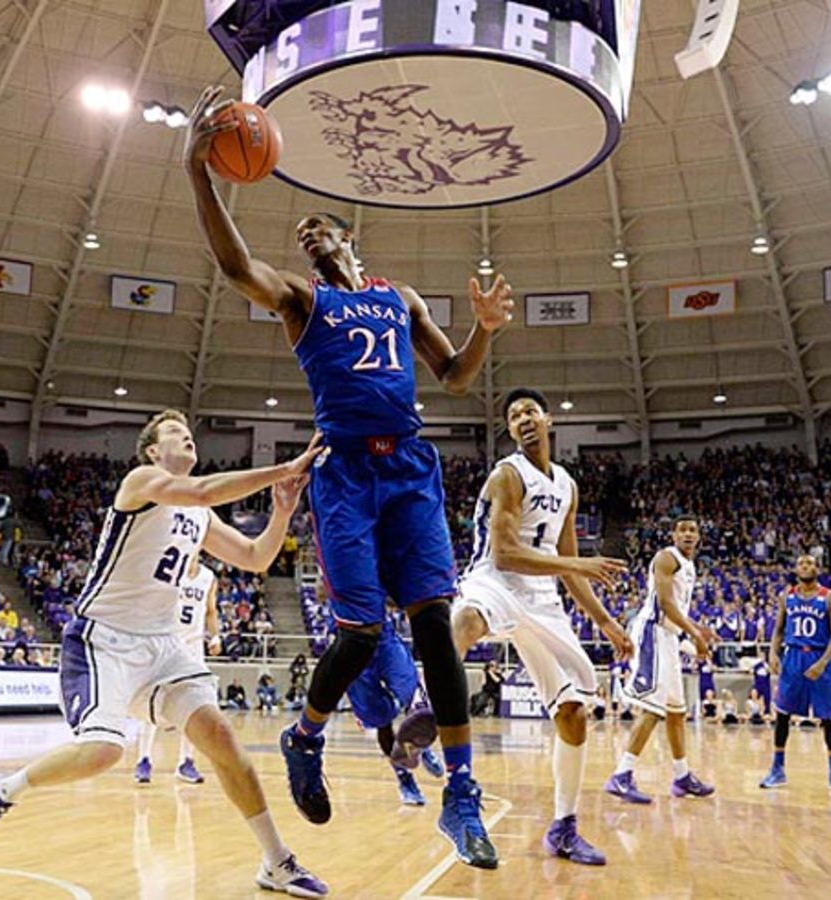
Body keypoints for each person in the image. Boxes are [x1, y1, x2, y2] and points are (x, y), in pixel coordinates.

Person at [186, 85, 515, 870]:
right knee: (362, 632)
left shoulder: (399, 299)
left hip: (408, 466)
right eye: (301, 236)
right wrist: (197, 169)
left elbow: (459, 378)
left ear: (349, 240)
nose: (309, 237)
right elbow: (235, 266)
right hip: (344, 476)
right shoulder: (305, 301)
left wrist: (483, 328)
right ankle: (304, 738)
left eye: (320, 228)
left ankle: (460, 798)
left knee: (435, 621)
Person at [0, 410, 328, 898]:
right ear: (153, 450)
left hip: (164, 645)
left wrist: (281, 510)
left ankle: (277, 861)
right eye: (176, 433)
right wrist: (284, 467)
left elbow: (256, 558)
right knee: (105, 750)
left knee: (220, 738)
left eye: (190, 433)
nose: (188, 437)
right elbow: (199, 490)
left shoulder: (199, 516)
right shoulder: (142, 481)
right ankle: (4, 790)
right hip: (104, 639)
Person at [452, 388, 632, 866]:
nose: (524, 419)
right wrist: (576, 562)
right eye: (514, 416)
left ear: (548, 419)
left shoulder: (567, 484)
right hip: (496, 579)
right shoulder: (508, 474)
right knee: (465, 620)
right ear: (510, 431)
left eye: (530, 411)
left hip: (544, 600)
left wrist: (608, 623)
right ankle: (427, 706)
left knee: (573, 715)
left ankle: (564, 827)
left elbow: (569, 571)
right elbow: (507, 553)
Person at [604, 517, 716, 805]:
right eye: (683, 530)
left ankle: (681, 776)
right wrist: (696, 632)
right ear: (674, 535)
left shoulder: (689, 566)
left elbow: (675, 614)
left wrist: (693, 635)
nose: (689, 534)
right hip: (652, 633)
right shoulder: (667, 558)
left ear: (699, 536)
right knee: (653, 709)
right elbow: (665, 605)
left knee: (676, 712)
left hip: (668, 637)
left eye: (693, 530)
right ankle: (621, 775)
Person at [759, 554, 831, 793]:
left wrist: (823, 662)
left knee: (828, 718)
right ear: (796, 568)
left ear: (817, 568)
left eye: (810, 563)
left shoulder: (830, 598)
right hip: (793, 658)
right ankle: (777, 769)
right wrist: (772, 654)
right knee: (782, 715)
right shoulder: (786, 596)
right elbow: (778, 630)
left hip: (819, 657)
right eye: (801, 563)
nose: (805, 566)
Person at [345, 617, 446, 807]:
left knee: (414, 699)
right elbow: (320, 593)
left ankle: (418, 745)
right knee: (381, 720)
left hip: (384, 640)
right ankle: (404, 778)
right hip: (350, 647)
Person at [135, 557, 218, 786]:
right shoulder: (169, 570)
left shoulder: (208, 577)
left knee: (194, 708)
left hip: (193, 648)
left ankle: (186, 762)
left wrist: (216, 636)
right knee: (153, 704)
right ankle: (143, 760)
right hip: (166, 644)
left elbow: (210, 611)